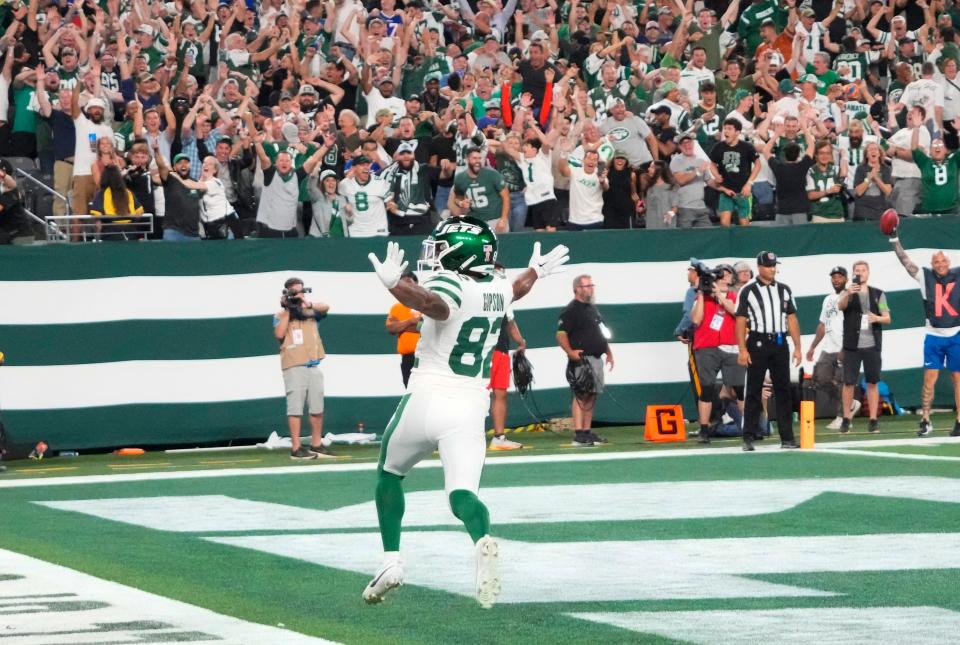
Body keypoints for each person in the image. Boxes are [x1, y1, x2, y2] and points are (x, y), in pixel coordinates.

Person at [364, 219, 569, 608]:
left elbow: (433, 304)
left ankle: (391, 559)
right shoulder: (496, 288)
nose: (435, 253)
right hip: (470, 406)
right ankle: (482, 541)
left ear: (459, 253)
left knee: (388, 475)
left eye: (441, 247)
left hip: (427, 396)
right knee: (463, 495)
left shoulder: (451, 284)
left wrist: (395, 285)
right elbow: (517, 289)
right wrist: (537, 272)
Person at [890, 235, 960, 437]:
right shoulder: (925, 276)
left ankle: (959, 421)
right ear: (932, 264)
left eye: (943, 261)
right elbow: (906, 262)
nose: (940, 264)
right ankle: (926, 419)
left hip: (956, 333)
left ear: (949, 262)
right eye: (936, 262)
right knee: (929, 380)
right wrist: (895, 240)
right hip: (934, 335)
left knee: (958, 379)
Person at [736, 251, 802, 451]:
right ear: (759, 267)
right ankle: (748, 436)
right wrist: (741, 349)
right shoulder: (748, 291)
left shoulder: (784, 290)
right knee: (754, 390)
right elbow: (740, 321)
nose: (772, 269)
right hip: (757, 341)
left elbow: (791, 318)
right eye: (768, 266)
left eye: (774, 265)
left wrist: (798, 347)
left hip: (780, 341)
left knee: (783, 390)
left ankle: (787, 438)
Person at [273, 277, 333, 460]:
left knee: (317, 407)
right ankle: (296, 447)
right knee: (295, 408)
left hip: (313, 364)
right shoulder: (280, 315)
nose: (299, 295)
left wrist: (307, 302)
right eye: (295, 292)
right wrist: (288, 312)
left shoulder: (310, 310)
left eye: (301, 291)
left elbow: (326, 307)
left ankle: (316, 444)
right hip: (293, 366)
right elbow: (279, 334)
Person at [557, 274, 614, 447]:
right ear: (577, 289)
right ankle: (578, 434)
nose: (591, 288)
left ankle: (587, 432)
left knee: (592, 395)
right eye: (587, 286)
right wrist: (570, 352)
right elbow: (561, 335)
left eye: (592, 285)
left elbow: (601, 333)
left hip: (596, 358)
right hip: (582, 360)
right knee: (581, 395)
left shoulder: (592, 309)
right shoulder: (571, 311)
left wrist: (608, 352)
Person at [690, 264, 743, 443]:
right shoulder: (704, 297)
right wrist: (700, 294)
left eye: (726, 275)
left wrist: (721, 296)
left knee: (738, 388)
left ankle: (748, 426)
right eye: (719, 275)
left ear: (731, 279)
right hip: (707, 346)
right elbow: (696, 319)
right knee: (706, 388)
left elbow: (736, 311)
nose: (722, 278)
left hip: (730, 346)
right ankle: (704, 429)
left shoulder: (734, 296)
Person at [836, 261, 891, 433]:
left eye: (863, 270)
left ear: (868, 273)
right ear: (853, 274)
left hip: (872, 345)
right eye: (857, 271)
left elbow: (887, 317)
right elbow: (840, 306)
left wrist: (877, 318)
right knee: (848, 382)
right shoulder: (848, 292)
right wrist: (847, 293)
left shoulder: (878, 294)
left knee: (872, 382)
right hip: (852, 345)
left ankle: (873, 419)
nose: (860, 273)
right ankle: (846, 418)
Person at [806, 267, 861, 430]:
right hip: (828, 346)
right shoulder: (827, 299)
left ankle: (841, 416)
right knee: (820, 378)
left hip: (844, 345)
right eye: (834, 277)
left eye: (839, 277)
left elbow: (856, 324)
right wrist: (812, 347)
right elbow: (822, 325)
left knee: (844, 381)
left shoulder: (851, 296)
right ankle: (850, 403)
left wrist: (847, 346)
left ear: (846, 279)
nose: (836, 280)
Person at [488, 264, 526, 452]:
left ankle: (499, 437)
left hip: (501, 351)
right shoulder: (479, 294)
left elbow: (510, 322)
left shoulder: (505, 299)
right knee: (474, 395)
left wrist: (521, 342)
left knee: (500, 393)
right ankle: (465, 436)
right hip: (482, 351)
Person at [708, 118, 760, 227]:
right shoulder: (718, 147)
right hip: (726, 191)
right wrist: (716, 174)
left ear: (737, 132)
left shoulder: (747, 147)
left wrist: (749, 184)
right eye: (724, 129)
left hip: (743, 192)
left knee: (744, 225)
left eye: (729, 129)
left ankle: (744, 244)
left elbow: (758, 165)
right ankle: (727, 243)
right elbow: (711, 164)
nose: (726, 131)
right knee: (724, 223)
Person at [449, 147, 509, 233]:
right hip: (475, 222)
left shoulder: (492, 174)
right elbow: (457, 198)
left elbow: (506, 196)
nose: (478, 161)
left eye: (479, 158)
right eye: (474, 158)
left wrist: (503, 219)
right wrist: (461, 203)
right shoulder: (460, 178)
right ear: (467, 159)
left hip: (495, 219)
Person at [385, 272, 422, 388]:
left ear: (416, 284)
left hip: (425, 357)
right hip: (407, 359)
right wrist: (411, 321)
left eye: (409, 283)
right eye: (403, 285)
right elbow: (391, 328)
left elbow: (425, 327)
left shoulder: (425, 305)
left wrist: (402, 326)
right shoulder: (397, 308)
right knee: (410, 390)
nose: (407, 287)